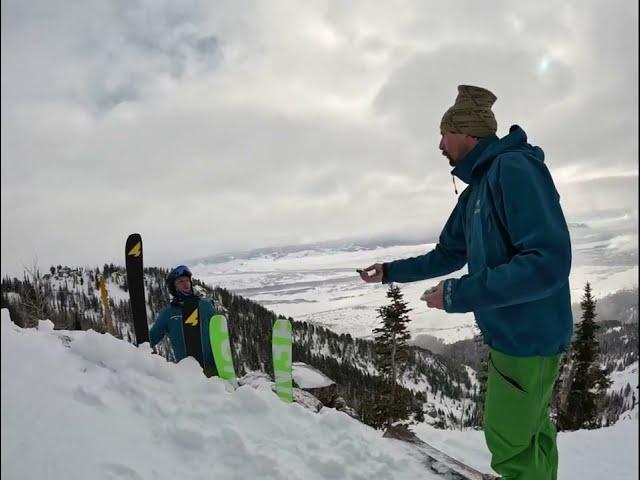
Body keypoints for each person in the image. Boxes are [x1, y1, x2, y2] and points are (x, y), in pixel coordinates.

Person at [359, 85, 572, 480]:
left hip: (529, 337)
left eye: (444, 133)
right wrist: (389, 271)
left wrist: (459, 293)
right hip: (515, 337)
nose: (439, 143)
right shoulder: (477, 191)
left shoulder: (514, 170)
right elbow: (446, 254)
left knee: (509, 446)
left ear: (468, 133)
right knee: (532, 435)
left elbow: (548, 263)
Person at [149, 265, 220, 378]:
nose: (185, 283)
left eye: (187, 280)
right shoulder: (168, 314)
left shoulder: (205, 306)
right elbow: (151, 338)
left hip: (212, 370)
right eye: (180, 281)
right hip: (187, 375)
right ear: (174, 287)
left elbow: (219, 333)